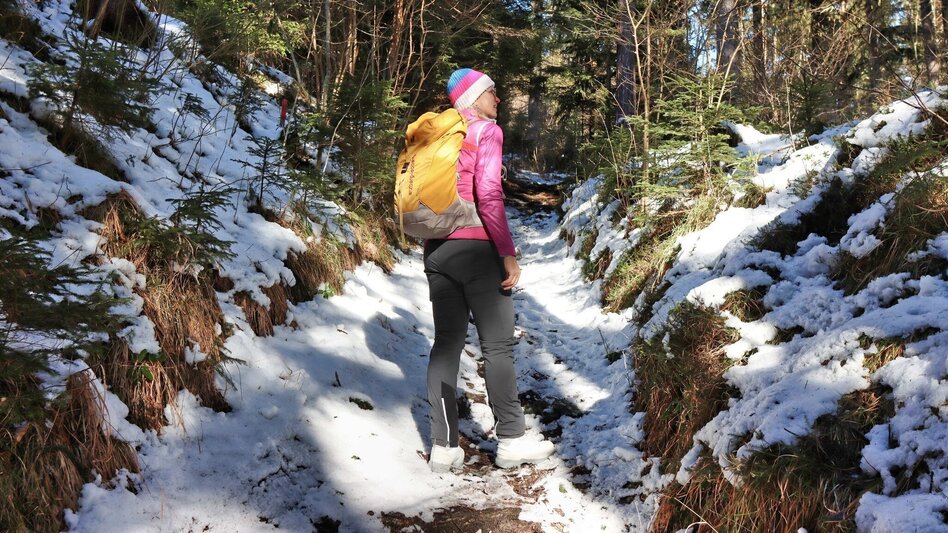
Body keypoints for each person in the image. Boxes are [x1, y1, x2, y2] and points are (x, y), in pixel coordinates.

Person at [425, 68, 555, 473]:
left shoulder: (437, 135)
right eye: (492, 92)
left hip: (437, 251)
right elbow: (489, 193)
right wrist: (507, 252)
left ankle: (443, 447)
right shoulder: (485, 132)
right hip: (478, 250)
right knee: (498, 346)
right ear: (473, 98)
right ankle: (512, 439)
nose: (497, 99)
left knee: (446, 344)